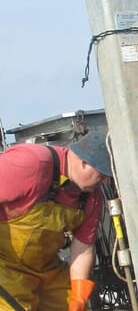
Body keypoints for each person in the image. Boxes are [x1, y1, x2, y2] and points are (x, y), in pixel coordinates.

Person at [0, 131, 113, 311]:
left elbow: (82, 249)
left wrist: (78, 297)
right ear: (84, 162)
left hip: (45, 269)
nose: (106, 181)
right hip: (5, 265)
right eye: (102, 174)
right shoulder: (32, 164)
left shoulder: (92, 198)